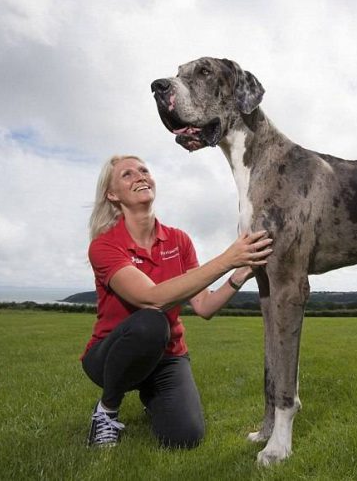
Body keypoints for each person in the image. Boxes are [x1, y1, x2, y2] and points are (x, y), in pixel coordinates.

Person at [81, 155, 272, 448]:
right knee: (152, 322)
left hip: (167, 357)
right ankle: (107, 410)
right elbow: (150, 298)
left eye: (144, 170)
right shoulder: (105, 246)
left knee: (184, 438)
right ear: (112, 194)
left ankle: (152, 397)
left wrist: (239, 273)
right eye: (127, 175)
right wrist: (228, 258)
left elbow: (204, 307)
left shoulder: (178, 240)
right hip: (110, 357)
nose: (140, 176)